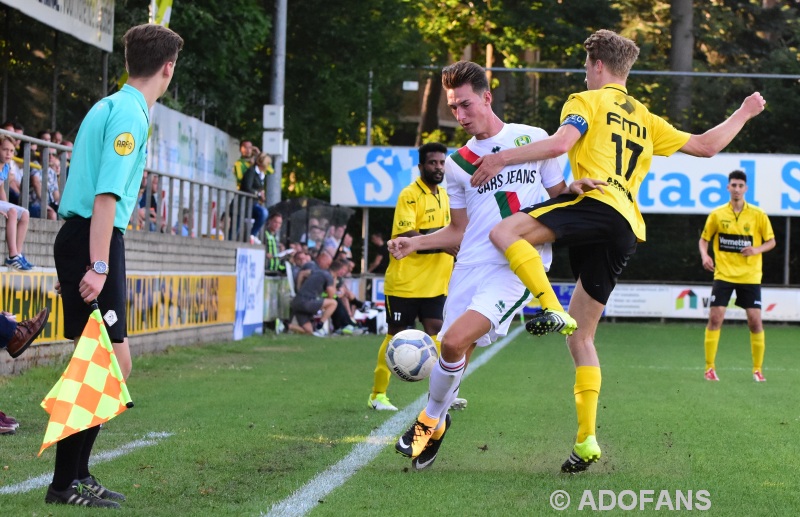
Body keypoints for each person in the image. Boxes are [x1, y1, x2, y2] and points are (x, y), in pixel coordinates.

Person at [473, 29, 765, 473]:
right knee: (582, 338)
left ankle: (548, 305)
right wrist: (744, 112)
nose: (584, 74)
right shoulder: (645, 117)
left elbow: (558, 145)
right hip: (626, 224)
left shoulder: (585, 101)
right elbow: (706, 146)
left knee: (504, 233)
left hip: (597, 202)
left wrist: (497, 159)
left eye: (585, 67)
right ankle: (587, 438)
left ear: (597, 66)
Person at [389, 61, 566, 470]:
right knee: (455, 350)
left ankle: (427, 421)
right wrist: (417, 242)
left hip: (514, 265)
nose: (461, 116)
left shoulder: (532, 139)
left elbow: (559, 196)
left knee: (451, 343)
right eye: (454, 108)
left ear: (487, 97)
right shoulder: (456, 163)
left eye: (466, 105)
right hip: (469, 265)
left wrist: (577, 192)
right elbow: (459, 231)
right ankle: (441, 422)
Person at [49, 23, 183, 508]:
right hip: (93, 238)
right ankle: (66, 483)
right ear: (168, 67)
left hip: (89, 237)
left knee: (109, 361)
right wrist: (100, 263)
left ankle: (75, 477)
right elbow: (105, 195)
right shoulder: (129, 114)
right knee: (105, 361)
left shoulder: (113, 104)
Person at [367, 142, 456, 412]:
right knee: (395, 336)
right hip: (405, 284)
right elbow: (407, 235)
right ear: (421, 167)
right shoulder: (409, 195)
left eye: (442, 163)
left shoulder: (447, 195)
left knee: (438, 334)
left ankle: (444, 395)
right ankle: (377, 395)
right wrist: (443, 243)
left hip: (436, 283)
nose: (438, 167)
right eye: (433, 163)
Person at [699, 170, 775, 383]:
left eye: (740, 186)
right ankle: (709, 368)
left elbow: (772, 241)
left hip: (750, 276)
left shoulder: (758, 214)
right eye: (733, 185)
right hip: (723, 275)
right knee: (715, 319)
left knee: (755, 322)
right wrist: (705, 255)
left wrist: (756, 250)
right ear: (727, 187)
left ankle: (758, 369)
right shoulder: (717, 214)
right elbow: (704, 239)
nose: (737, 189)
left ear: (746, 189)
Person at [0, 134, 34, 270]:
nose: (8, 154)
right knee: (12, 212)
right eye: (5, 149)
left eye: (11, 151)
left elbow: (1, 188)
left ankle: (17, 254)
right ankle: (13, 255)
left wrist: (5, 204)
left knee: (25, 213)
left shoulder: (6, 167)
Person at [288, 252, 341, 336]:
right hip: (307, 302)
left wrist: (298, 289)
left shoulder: (316, 272)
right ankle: (320, 325)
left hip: (297, 301)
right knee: (334, 303)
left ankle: (287, 326)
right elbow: (331, 296)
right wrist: (334, 281)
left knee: (309, 331)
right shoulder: (329, 277)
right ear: (338, 272)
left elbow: (302, 274)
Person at [240, 152, 270, 244]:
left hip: (254, 203)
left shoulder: (261, 175)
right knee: (263, 213)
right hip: (247, 203)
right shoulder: (251, 171)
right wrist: (258, 194)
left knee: (263, 213)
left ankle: (253, 234)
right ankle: (252, 234)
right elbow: (247, 187)